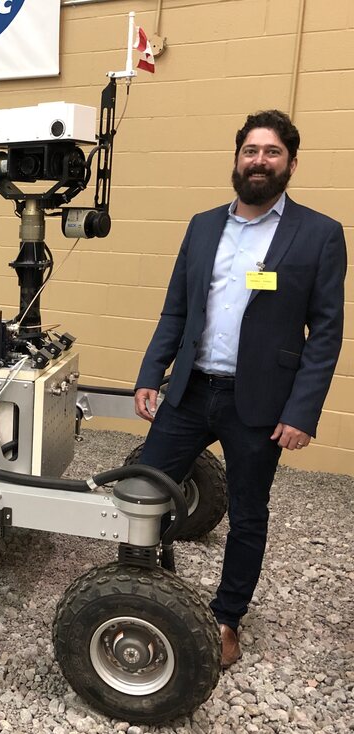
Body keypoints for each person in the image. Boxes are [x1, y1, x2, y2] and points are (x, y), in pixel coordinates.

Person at [133, 110, 347, 669]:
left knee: (248, 513)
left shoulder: (320, 234)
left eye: (272, 152)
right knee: (143, 493)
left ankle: (226, 618)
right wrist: (149, 375)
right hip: (190, 390)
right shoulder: (204, 225)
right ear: (236, 159)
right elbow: (175, 308)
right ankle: (139, 592)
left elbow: (325, 333)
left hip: (260, 403)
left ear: (291, 164)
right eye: (251, 150)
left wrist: (303, 411)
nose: (259, 161)